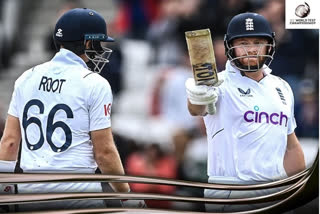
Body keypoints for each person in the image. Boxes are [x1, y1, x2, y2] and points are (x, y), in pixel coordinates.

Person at [0, 8, 145, 211]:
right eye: (98, 43)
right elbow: (103, 152)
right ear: (87, 43)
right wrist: (126, 194)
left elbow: (9, 142)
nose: (101, 49)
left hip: (30, 193)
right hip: (77, 194)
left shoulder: (27, 77)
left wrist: (5, 191)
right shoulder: (94, 83)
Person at [185, 12, 306, 212]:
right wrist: (198, 96)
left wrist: (300, 190)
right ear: (230, 47)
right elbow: (196, 109)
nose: (251, 49)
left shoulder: (282, 87)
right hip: (231, 191)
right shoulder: (218, 84)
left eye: (258, 42)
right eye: (243, 43)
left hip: (275, 191)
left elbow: (291, 146)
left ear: (269, 45)